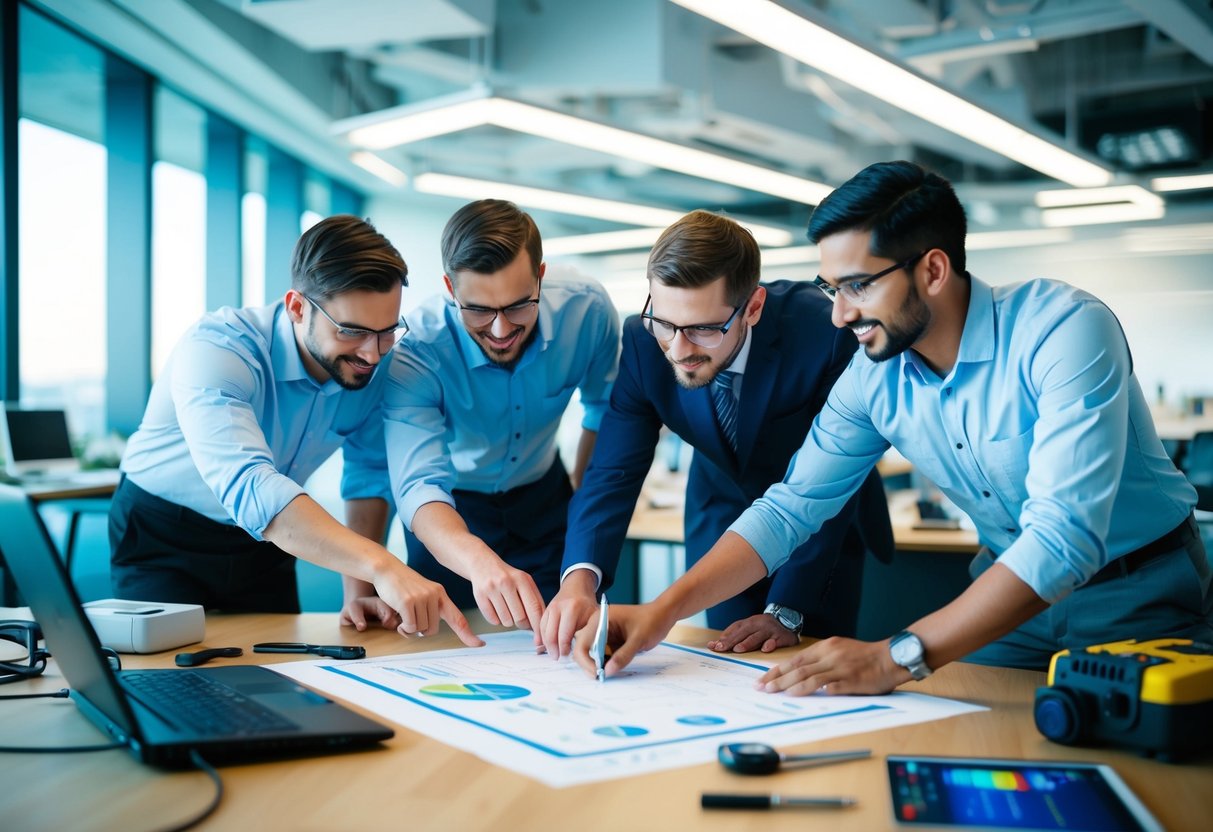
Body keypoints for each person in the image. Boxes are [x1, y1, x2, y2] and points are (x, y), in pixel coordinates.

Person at [574, 161, 1211, 693]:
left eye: (857, 286)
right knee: (969, 751)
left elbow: (1065, 538)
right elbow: (791, 508)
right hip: (1005, 600)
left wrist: (890, 657)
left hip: (1138, 594)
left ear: (932, 271)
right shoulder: (875, 374)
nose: (838, 314)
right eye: (831, 288)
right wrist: (664, 611)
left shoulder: (1063, 329)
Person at [110, 215, 480, 646]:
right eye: (352, 331)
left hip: (270, 543)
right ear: (298, 307)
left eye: (386, 332)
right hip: (164, 533)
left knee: (273, 674)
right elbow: (251, 486)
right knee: (166, 678)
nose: (372, 353)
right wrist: (383, 567)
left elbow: (368, 473)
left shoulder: (372, 366)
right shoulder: (218, 348)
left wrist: (359, 591)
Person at [540, 210, 891, 659]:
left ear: (754, 307)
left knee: (812, 664)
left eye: (704, 329)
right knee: (726, 661)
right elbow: (611, 472)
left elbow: (825, 483)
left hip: (823, 525)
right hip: (721, 510)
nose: (679, 350)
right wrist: (578, 582)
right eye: (665, 323)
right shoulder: (646, 342)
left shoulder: (822, 332)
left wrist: (786, 610)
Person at [350, 199, 619, 637]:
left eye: (518, 305)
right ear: (449, 288)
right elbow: (420, 486)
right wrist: (477, 560)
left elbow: (605, 411)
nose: (500, 330)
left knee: (567, 640)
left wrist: (583, 503)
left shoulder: (586, 311)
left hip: (544, 496)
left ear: (541, 276)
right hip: (451, 512)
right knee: (446, 651)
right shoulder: (416, 352)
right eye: (477, 310)